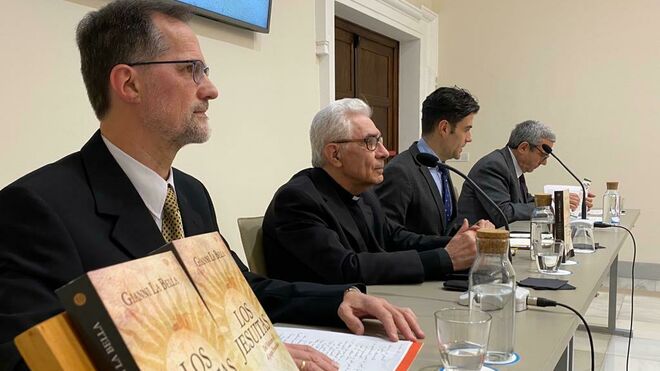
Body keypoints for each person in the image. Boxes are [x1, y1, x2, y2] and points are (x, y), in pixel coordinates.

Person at [0, 2, 423, 370]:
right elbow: (27, 360)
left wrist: (338, 299)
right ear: (129, 83)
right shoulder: (35, 210)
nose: (211, 88)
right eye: (191, 70)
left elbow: (236, 289)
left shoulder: (190, 193)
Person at [262, 98, 480, 286]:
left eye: (380, 141)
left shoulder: (363, 191)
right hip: (322, 323)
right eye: (370, 143)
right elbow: (346, 268)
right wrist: (444, 258)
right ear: (335, 154)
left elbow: (394, 238)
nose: (384, 153)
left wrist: (455, 243)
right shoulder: (297, 200)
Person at [375, 86, 493, 238]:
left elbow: (444, 228)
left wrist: (472, 232)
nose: (469, 138)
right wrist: (448, 246)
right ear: (444, 128)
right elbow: (389, 236)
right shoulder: (400, 171)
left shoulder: (440, 166)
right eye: (466, 129)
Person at [455, 120, 594, 227]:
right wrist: (553, 206)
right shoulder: (493, 166)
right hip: (477, 247)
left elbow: (526, 201)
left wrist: (561, 200)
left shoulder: (511, 165)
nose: (544, 163)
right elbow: (504, 213)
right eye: (543, 156)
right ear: (524, 147)